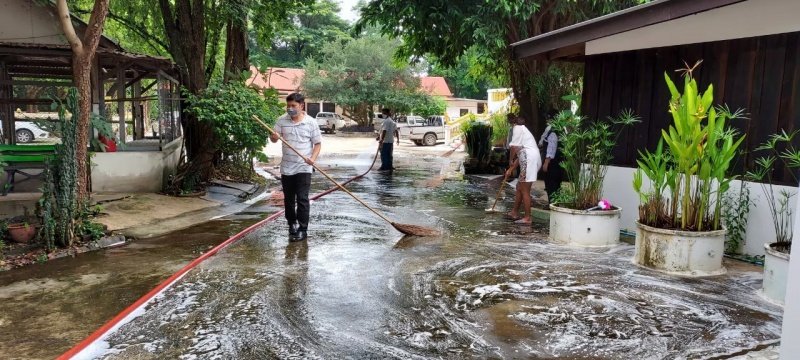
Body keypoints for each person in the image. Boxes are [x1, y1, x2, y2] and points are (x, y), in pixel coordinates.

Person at [270, 92, 322, 241]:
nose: (290, 108)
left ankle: (303, 229)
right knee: (288, 199)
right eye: (288, 106)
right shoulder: (281, 121)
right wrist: (273, 137)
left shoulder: (311, 122)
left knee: (302, 198)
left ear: (301, 105)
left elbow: (317, 144)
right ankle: (292, 223)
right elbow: (274, 138)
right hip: (287, 167)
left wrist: (312, 158)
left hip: (304, 167)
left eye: (293, 106)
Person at [505, 115, 542, 224]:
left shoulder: (517, 128)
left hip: (529, 160)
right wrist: (511, 168)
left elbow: (513, 147)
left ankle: (527, 218)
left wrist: (510, 160)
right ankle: (514, 212)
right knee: (519, 186)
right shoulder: (523, 131)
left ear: (512, 123)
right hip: (530, 159)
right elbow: (521, 155)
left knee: (525, 189)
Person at [539, 123, 563, 206]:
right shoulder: (561, 129)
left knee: (551, 184)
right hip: (558, 162)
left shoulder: (553, 131)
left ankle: (552, 204)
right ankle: (554, 203)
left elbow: (551, 147)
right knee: (555, 184)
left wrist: (546, 162)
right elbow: (541, 142)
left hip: (552, 163)